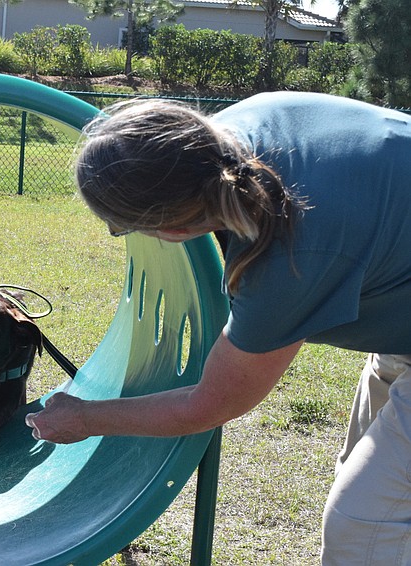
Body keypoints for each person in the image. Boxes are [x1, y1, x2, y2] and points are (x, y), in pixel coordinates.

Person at [24, 92, 411, 564]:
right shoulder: (230, 133)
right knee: (376, 487)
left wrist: (86, 418)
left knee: (365, 523)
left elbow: (211, 403)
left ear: (173, 227)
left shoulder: (287, 255)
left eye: (121, 226)